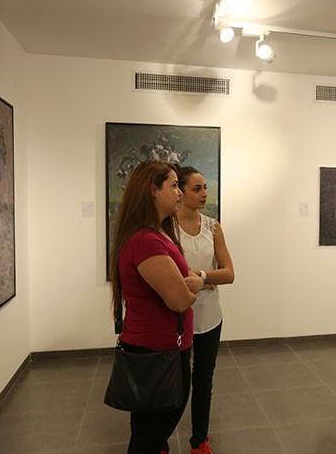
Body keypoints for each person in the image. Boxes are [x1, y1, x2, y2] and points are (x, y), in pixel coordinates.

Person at [109, 160, 203, 454]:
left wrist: (187, 281)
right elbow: (179, 299)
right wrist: (195, 287)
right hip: (157, 355)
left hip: (161, 351)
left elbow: (178, 278)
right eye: (174, 186)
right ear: (153, 190)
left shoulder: (157, 233)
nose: (179, 193)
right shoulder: (146, 241)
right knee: (150, 436)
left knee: (148, 434)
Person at [176, 166, 235, 454]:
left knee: (203, 380)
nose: (204, 194)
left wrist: (201, 277)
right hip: (177, 317)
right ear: (181, 192)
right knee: (176, 383)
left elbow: (229, 273)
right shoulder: (166, 227)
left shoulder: (213, 227)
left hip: (210, 317)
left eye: (205, 188)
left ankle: (199, 440)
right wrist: (207, 281)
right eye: (196, 189)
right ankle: (159, 439)